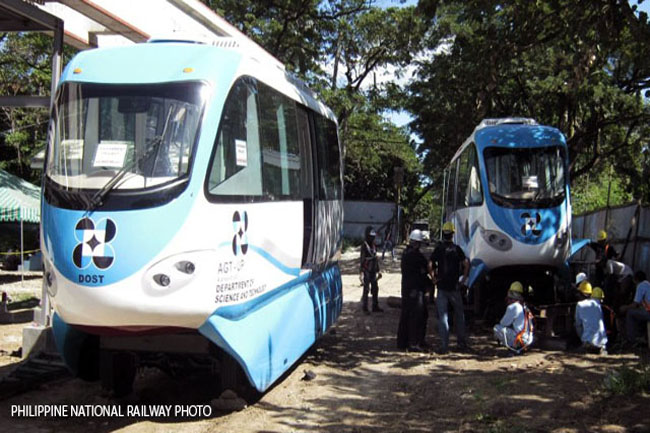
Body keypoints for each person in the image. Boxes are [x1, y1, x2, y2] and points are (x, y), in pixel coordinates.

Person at [429, 221, 469, 354]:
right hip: (454, 288)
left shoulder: (438, 249)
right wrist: (463, 279)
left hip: (442, 288)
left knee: (443, 317)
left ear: (443, 234)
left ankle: (444, 346)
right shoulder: (457, 249)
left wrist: (434, 278)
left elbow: (430, 264)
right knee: (459, 315)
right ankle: (461, 343)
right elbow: (466, 264)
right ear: (452, 234)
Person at [397, 229, 431, 351]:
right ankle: (414, 343)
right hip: (415, 290)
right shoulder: (415, 255)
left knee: (406, 314)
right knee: (417, 316)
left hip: (407, 288)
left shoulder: (406, 253)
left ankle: (402, 342)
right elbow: (425, 268)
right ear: (417, 242)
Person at [493, 281, 534, 354]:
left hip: (520, 340)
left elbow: (503, 323)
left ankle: (514, 348)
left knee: (497, 328)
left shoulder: (513, 307)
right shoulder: (524, 306)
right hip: (529, 339)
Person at [574, 281, 608, 355]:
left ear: (581, 293)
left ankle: (585, 343)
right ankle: (601, 348)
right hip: (602, 342)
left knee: (577, 325)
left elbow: (578, 324)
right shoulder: (597, 303)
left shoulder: (579, 305)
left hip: (588, 341)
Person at [620, 271, 650, 347]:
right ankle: (642, 336)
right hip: (647, 310)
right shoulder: (648, 284)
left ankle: (632, 339)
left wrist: (625, 307)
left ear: (636, 280)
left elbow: (635, 304)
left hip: (648, 313)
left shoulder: (640, 286)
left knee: (630, 313)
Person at [359, 226, 383, 314]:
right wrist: (361, 272)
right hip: (367, 270)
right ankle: (365, 308)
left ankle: (375, 306)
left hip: (373, 270)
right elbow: (362, 260)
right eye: (371, 236)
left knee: (375, 288)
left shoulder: (374, 246)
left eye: (373, 237)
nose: (372, 238)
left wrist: (378, 270)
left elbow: (375, 258)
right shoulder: (364, 246)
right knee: (366, 289)